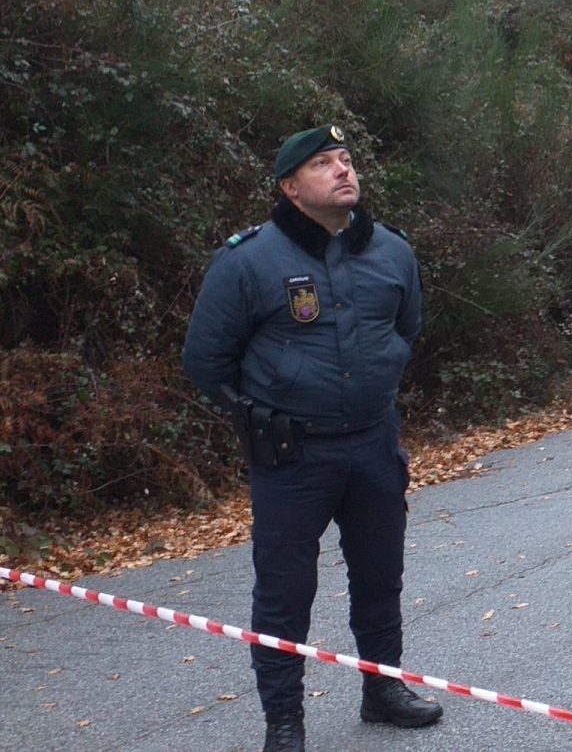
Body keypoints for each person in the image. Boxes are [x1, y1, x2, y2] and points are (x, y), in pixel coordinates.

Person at [181, 125, 441, 752]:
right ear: (291, 188)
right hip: (292, 457)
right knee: (284, 592)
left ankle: (382, 690)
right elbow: (204, 361)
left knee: (380, 576)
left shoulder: (391, 252)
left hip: (374, 446)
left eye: (347, 159)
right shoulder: (249, 261)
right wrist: (252, 415)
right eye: (324, 164)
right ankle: (284, 724)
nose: (342, 171)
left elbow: (407, 330)